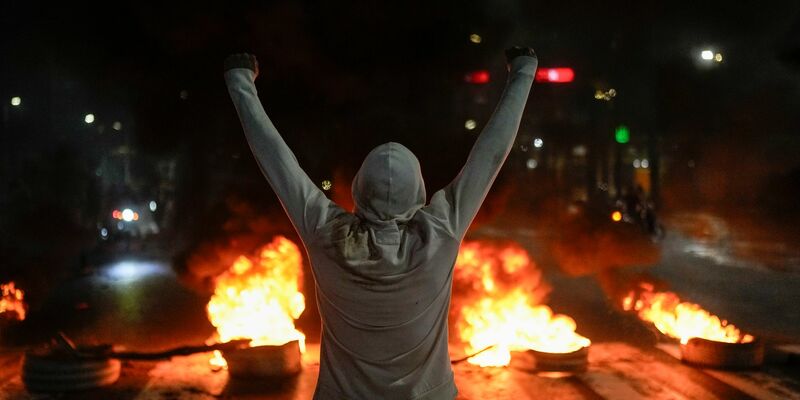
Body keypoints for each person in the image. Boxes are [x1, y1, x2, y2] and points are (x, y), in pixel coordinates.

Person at [224, 47, 537, 400]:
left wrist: (240, 82)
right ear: (418, 188)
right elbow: (490, 155)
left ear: (359, 188)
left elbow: (277, 161)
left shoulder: (326, 233)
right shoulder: (439, 232)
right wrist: (522, 74)